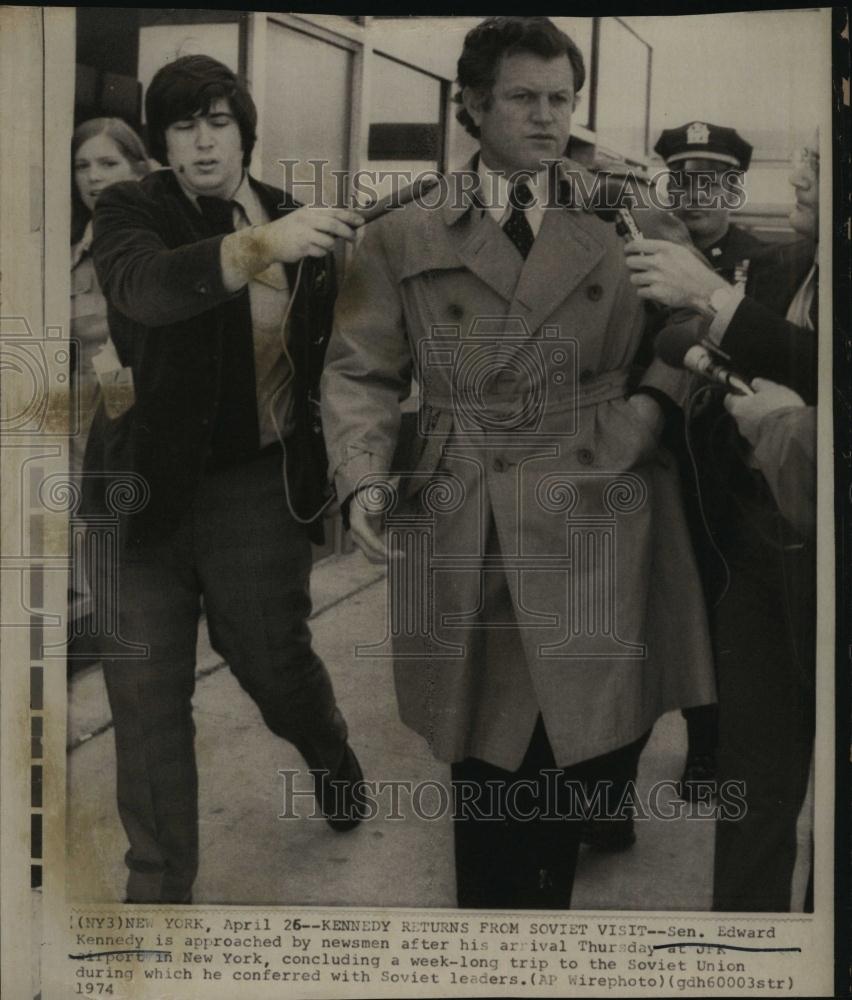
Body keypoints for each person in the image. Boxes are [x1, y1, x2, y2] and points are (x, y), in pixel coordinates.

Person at [322, 16, 715, 909]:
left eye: (561, 99)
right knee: (488, 755)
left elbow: (687, 328)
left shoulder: (625, 214)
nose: (546, 118)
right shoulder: (402, 232)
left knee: (588, 736)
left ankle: (564, 862)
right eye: (523, 99)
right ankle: (501, 928)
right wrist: (364, 476)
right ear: (471, 105)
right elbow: (359, 370)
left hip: (598, 490)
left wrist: (649, 412)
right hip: (466, 502)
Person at [84, 55, 366, 903]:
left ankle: (328, 750)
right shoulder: (130, 211)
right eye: (180, 124)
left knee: (271, 663)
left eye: (217, 121)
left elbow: (349, 349)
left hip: (256, 484)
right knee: (142, 694)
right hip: (138, 494)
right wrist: (259, 247)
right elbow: (145, 289)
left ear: (245, 131)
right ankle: (159, 897)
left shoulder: (299, 220)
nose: (201, 141)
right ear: (161, 142)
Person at [624, 143, 819, 911]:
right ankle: (745, 953)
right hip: (757, 554)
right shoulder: (780, 268)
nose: (799, 176)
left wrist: (718, 299)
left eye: (820, 160)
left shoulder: (739, 278)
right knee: (750, 791)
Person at [648, 121, 765, 797]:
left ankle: (708, 746)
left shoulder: (772, 261)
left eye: (711, 181)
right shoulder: (643, 254)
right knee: (661, 606)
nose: (695, 195)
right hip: (661, 457)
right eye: (682, 181)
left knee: (721, 606)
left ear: (734, 189)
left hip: (737, 465)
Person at [69, 119, 150, 623]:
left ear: (139, 169)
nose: (93, 177)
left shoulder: (147, 243)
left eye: (108, 163)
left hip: (117, 398)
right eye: (82, 165)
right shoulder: (73, 250)